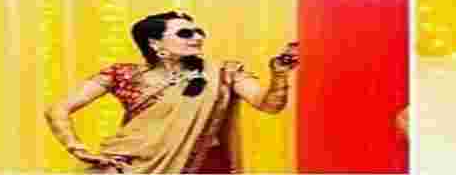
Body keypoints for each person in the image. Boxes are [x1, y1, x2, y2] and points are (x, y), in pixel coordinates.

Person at [44, 11, 299, 173]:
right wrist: (75, 147)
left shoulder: (224, 72)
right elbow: (58, 109)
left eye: (199, 32)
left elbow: (268, 105)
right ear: (155, 43)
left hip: (203, 165)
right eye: (185, 33)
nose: (197, 37)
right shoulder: (122, 74)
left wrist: (279, 74)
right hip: (133, 166)